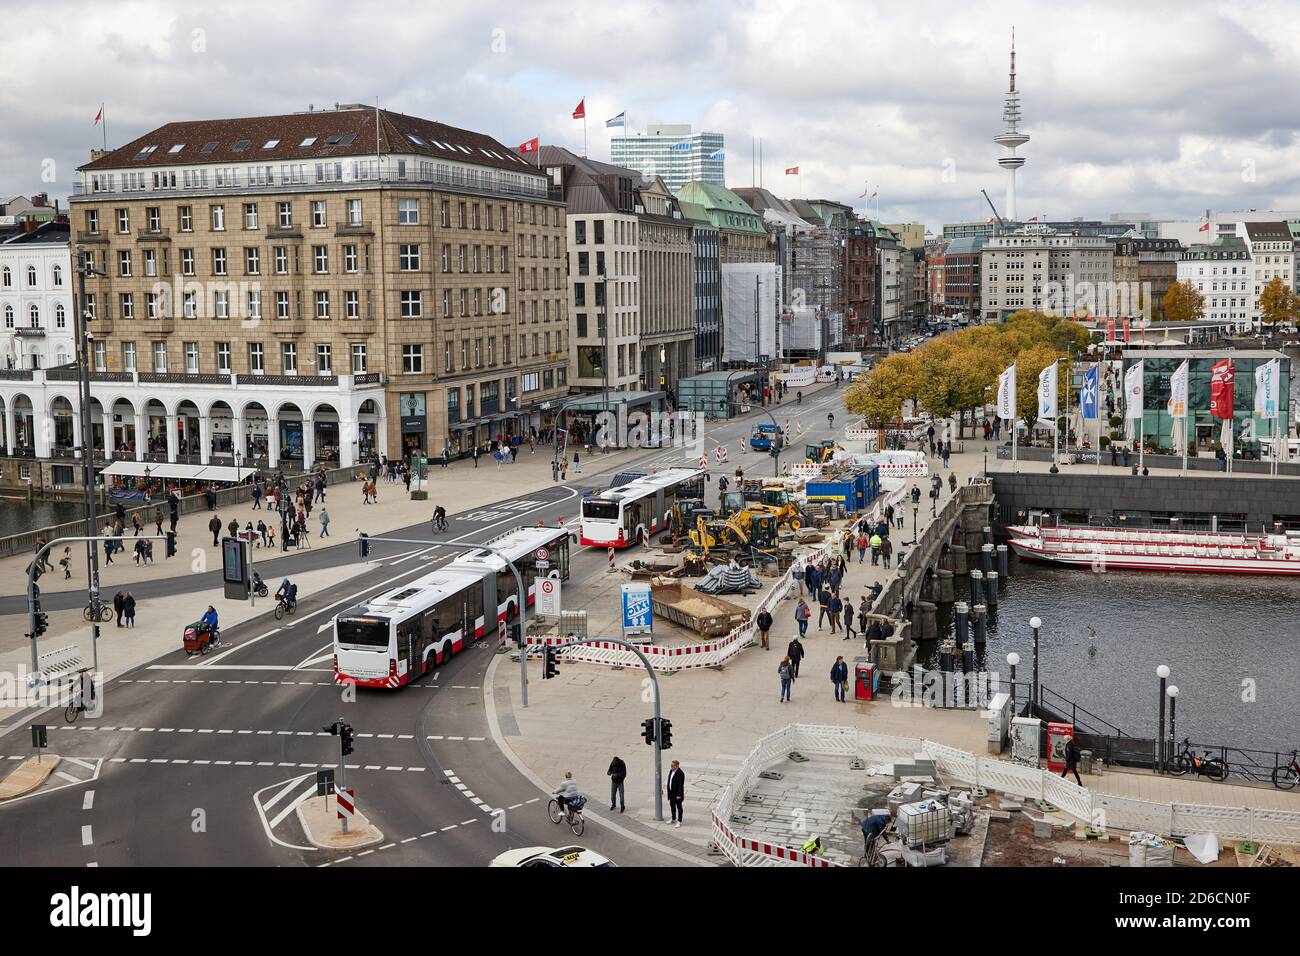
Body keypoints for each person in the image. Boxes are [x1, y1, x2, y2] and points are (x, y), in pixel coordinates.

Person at [666, 760, 686, 827]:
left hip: (677, 795)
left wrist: (679, 795)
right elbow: (670, 781)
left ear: (677, 766)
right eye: (671, 765)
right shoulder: (671, 771)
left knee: (679, 807)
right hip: (671, 793)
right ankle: (673, 818)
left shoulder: (680, 773)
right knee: (672, 806)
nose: (671, 767)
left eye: (672, 765)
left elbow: (681, 785)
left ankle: (679, 821)